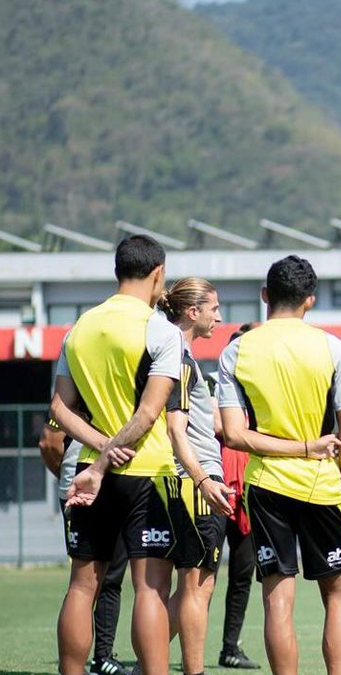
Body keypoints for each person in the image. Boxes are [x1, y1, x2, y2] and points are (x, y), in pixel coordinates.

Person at [217, 255, 341, 675]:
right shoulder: (333, 348)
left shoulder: (237, 351)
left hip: (265, 487)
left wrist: (293, 448)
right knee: (338, 596)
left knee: (277, 599)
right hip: (324, 488)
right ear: (310, 301)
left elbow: (233, 435)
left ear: (265, 295)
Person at [50, 235, 186, 675]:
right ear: (158, 274)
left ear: (116, 271)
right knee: (150, 590)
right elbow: (149, 413)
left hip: (90, 471)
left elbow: (58, 408)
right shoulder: (161, 330)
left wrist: (100, 452)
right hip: (147, 472)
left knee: (81, 585)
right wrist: (113, 454)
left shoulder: (80, 327)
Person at [159, 277, 237, 675]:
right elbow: (176, 429)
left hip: (197, 481)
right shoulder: (180, 361)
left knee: (197, 587)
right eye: (214, 308)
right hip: (195, 483)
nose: (219, 317)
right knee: (194, 587)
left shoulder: (180, 356)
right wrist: (205, 480)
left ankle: (149, 664)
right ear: (193, 312)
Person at [40, 420, 132, 675]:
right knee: (86, 581)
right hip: (87, 478)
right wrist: (67, 478)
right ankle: (75, 662)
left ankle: (101, 657)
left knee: (104, 577)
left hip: (118, 476)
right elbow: (49, 442)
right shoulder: (74, 386)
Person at [214, 323, 262, 670]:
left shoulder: (263, 392)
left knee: (243, 575)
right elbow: (217, 426)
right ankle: (174, 653)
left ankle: (230, 647)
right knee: (200, 578)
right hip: (214, 490)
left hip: (251, 494)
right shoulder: (216, 386)